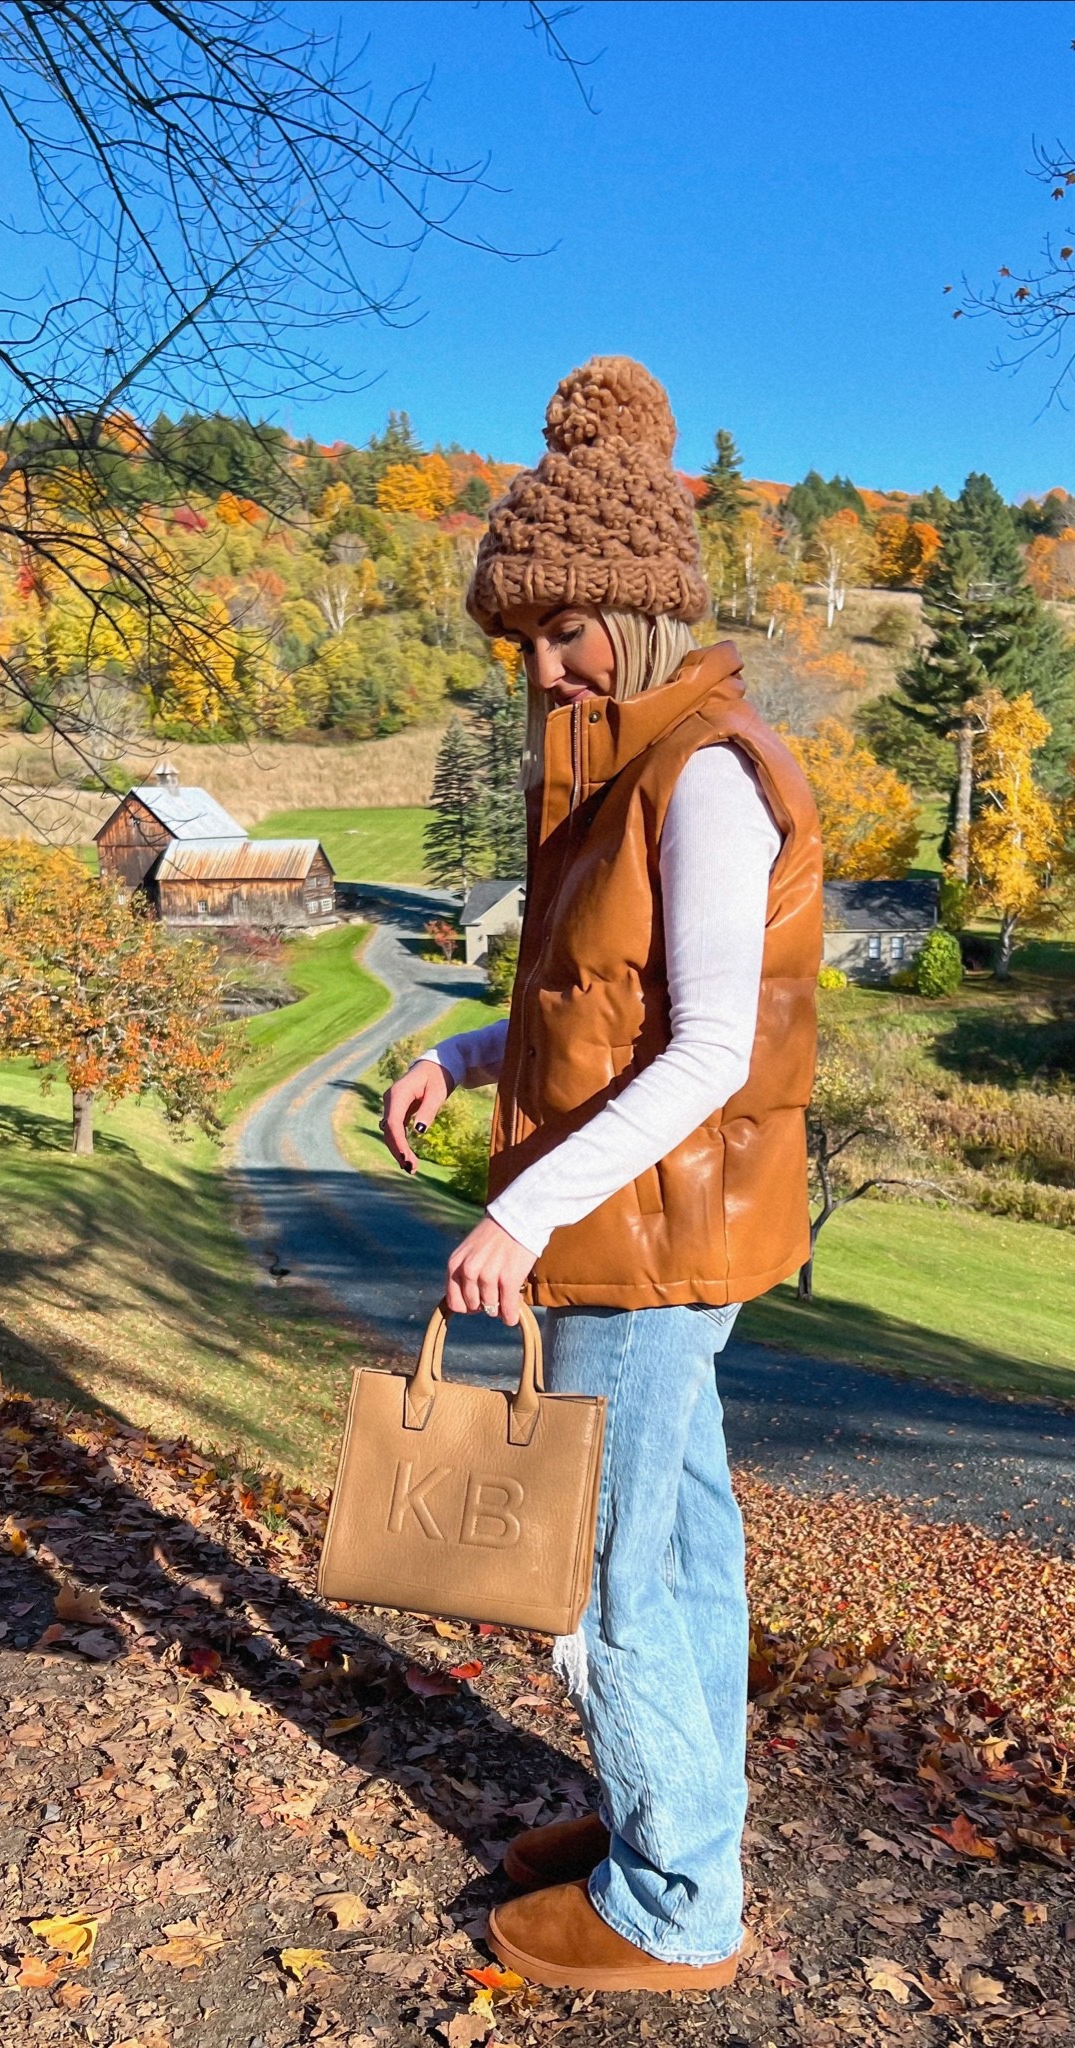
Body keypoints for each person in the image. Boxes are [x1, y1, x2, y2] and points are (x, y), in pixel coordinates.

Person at [381, 357, 822, 1993]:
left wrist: (519, 1210)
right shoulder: (620, 772)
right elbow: (597, 1018)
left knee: (609, 1580)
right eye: (525, 638)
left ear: (636, 618)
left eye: (569, 628)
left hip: (640, 1245)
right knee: (684, 1551)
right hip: (637, 1233)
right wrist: (464, 1060)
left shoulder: (699, 770)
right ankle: (674, 1826)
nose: (545, 663)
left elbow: (705, 1053)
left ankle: (669, 1910)